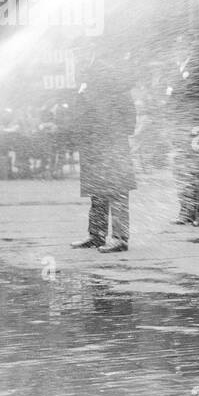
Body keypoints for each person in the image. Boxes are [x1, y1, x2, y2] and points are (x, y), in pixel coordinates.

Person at [70, 43, 136, 253]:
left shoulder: (110, 77)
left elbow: (127, 111)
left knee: (116, 190)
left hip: (111, 143)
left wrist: (117, 134)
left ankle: (119, 237)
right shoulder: (86, 78)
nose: (78, 59)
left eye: (80, 53)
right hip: (93, 144)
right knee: (97, 191)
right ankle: (96, 235)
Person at [168, 44, 199, 225]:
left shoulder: (198, 69)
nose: (176, 52)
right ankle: (186, 211)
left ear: (187, 50)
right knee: (181, 170)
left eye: (179, 48)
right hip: (179, 126)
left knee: (198, 170)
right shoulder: (176, 71)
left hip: (197, 126)